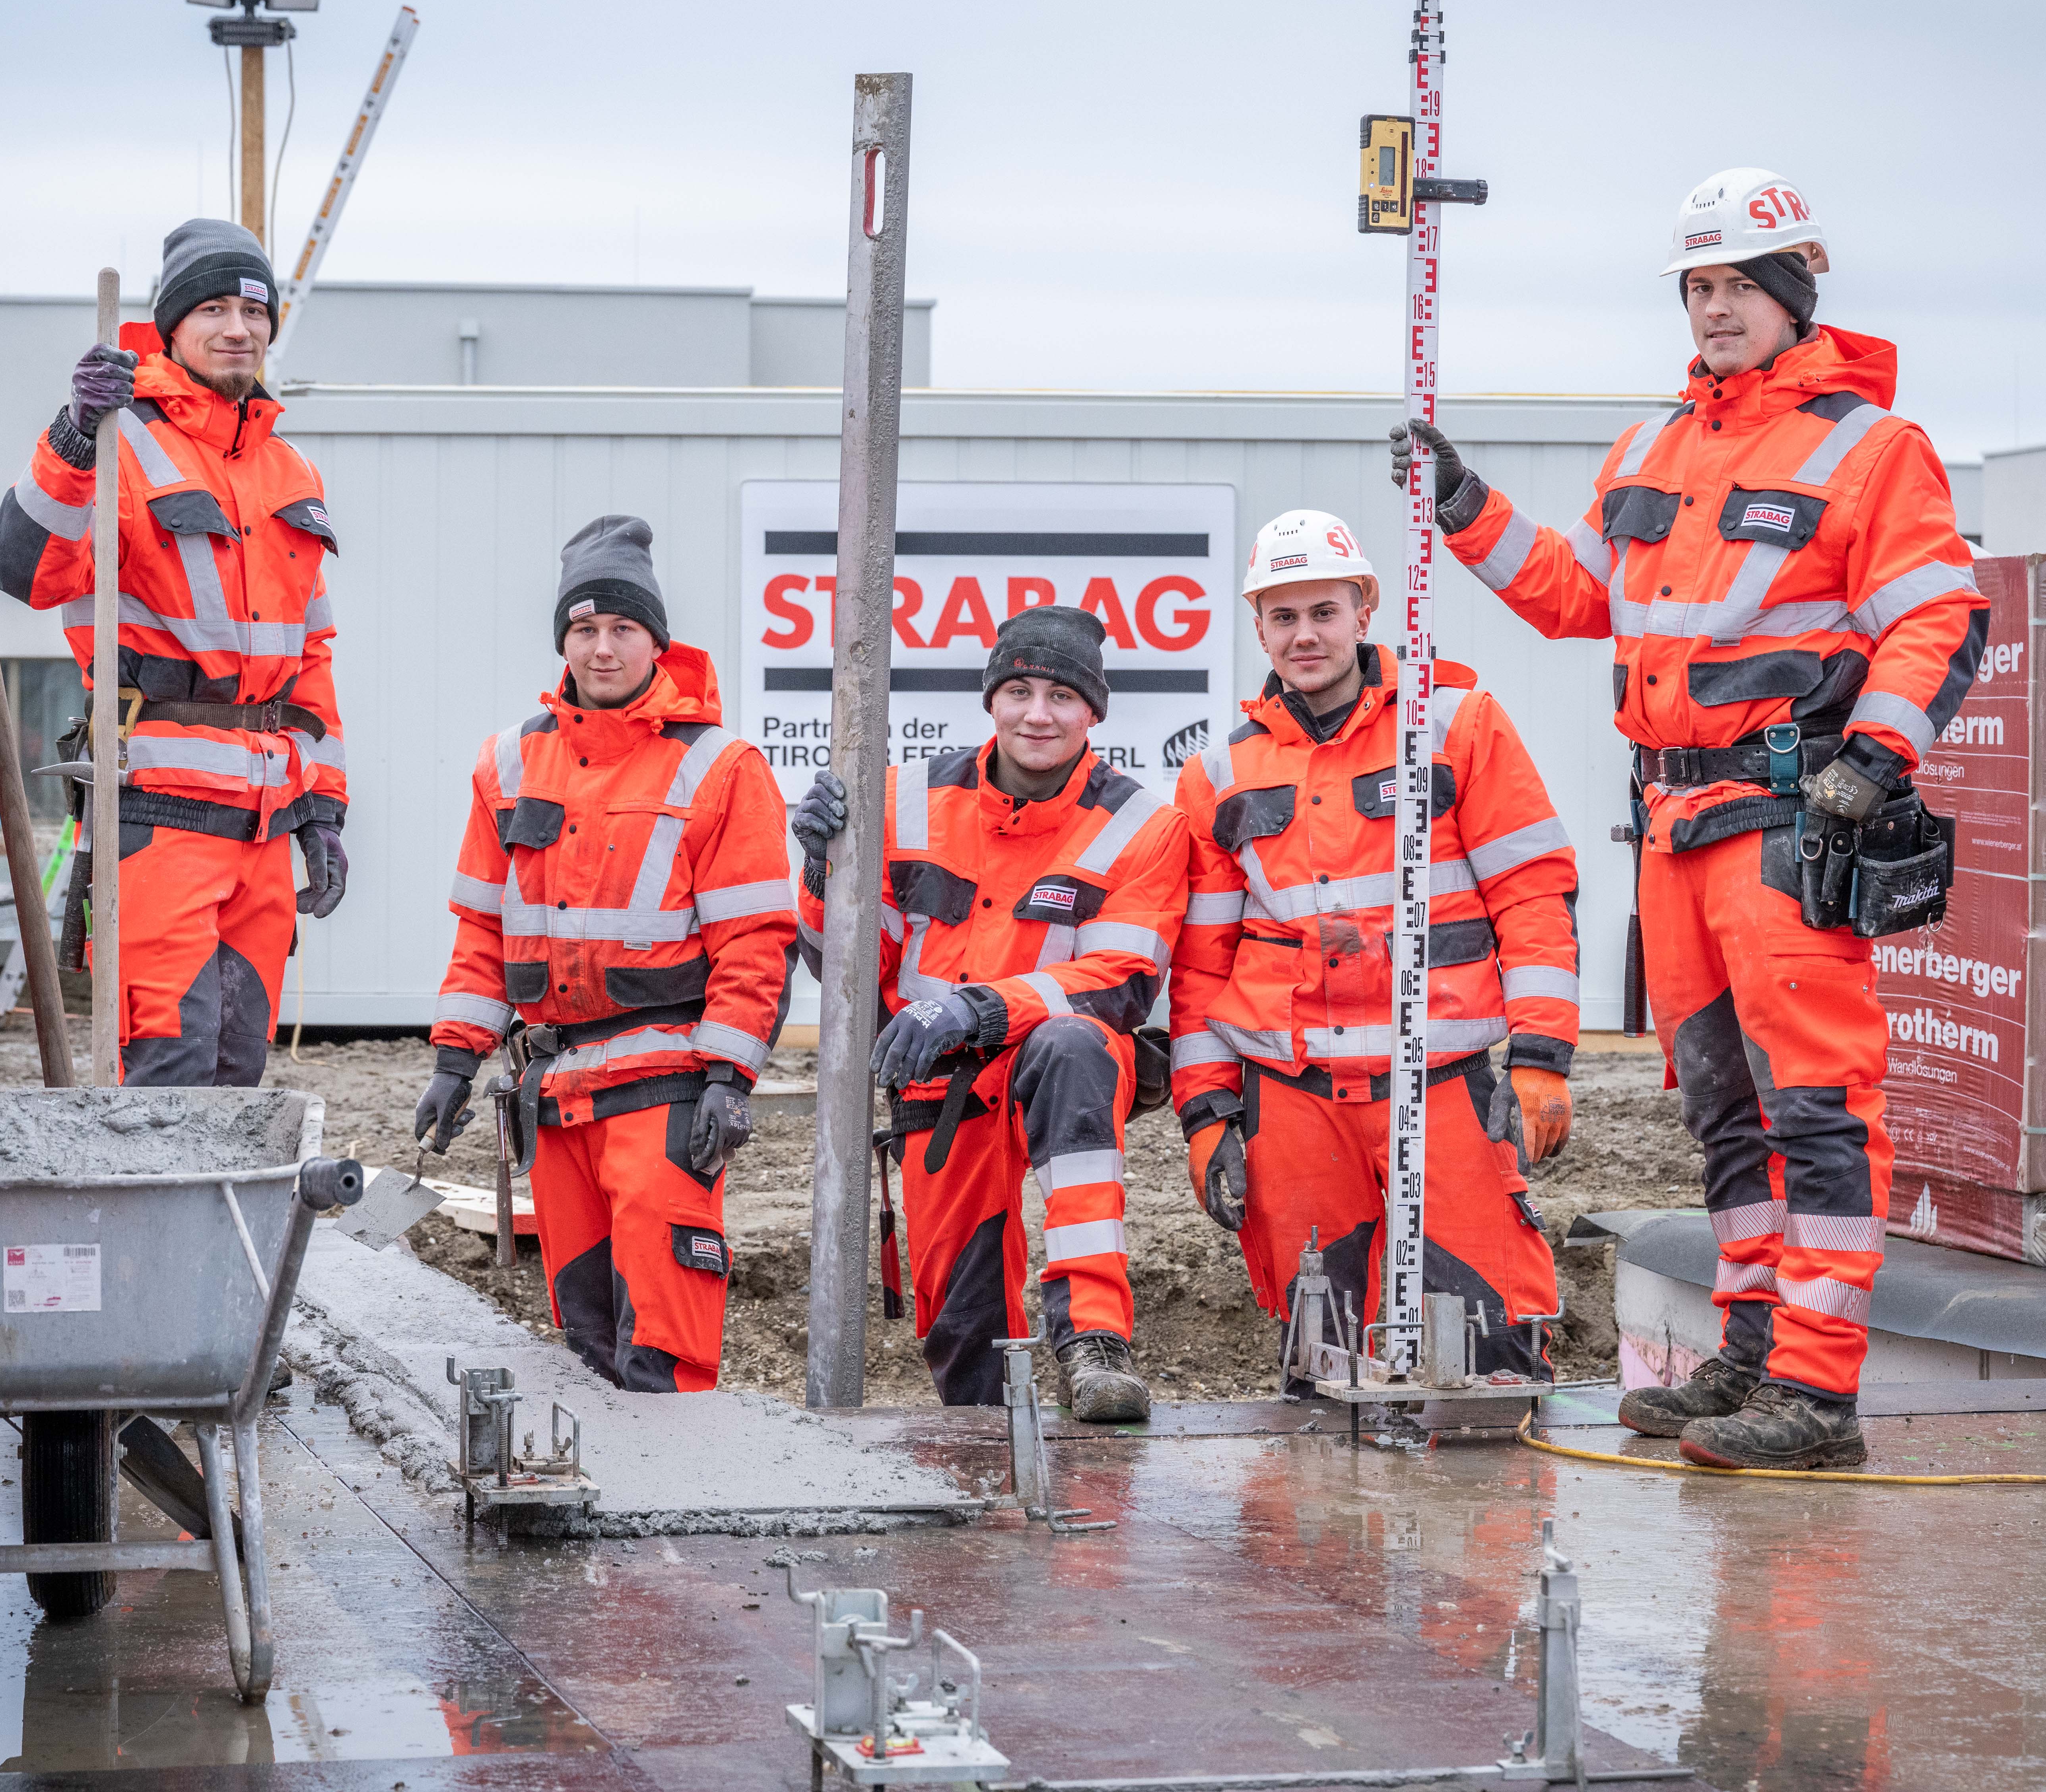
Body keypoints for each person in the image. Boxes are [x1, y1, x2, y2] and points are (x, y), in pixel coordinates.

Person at [1400, 167, 1986, 1470]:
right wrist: (1460, 504)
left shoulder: (1869, 447)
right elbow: (1572, 594)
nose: (1713, 307)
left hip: (1786, 817)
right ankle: (1746, 1351)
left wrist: (1874, 757)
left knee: (1818, 1107)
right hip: (1673, 830)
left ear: (1791, 291)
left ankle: (1817, 1392)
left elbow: (1941, 615)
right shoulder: (1653, 444)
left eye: (1735, 284)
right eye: (1696, 284)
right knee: (1724, 1111)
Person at [1168, 511, 1577, 1385]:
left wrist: (1543, 1054)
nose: (1305, 635)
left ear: (1365, 607)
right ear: (1260, 627)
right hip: (1292, 1100)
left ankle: (1499, 1518)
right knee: (1321, 1363)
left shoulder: (1457, 724)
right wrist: (1207, 1117)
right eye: (1283, 617)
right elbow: (1200, 967)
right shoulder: (1218, 774)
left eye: (1323, 610)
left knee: (1490, 1353)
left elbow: (1533, 889)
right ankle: (1324, 1521)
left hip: (1442, 1084)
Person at [409, 516, 796, 1393]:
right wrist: (454, 1058)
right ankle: (608, 1528)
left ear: (657, 640)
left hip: (665, 1086)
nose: (603, 647)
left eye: (623, 628)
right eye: (584, 629)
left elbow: (756, 942)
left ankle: (679, 1518)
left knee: (663, 1342)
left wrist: (730, 1077)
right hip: (555, 1093)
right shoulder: (509, 762)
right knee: (583, 1338)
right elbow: (480, 929)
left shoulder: (721, 766)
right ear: (564, 642)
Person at [789, 606, 1188, 1421]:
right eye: (1018, 690)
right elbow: (842, 969)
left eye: (1061, 696)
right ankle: (988, 1466)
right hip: (943, 1094)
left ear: (1093, 712)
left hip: (1058, 1068)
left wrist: (979, 1009)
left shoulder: (1143, 825)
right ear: (991, 700)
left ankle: (1093, 1340)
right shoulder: (904, 799)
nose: (1038, 714)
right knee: (961, 1325)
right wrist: (821, 871)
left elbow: (1118, 982)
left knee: (1075, 1042)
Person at [0, 218, 347, 1085]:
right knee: (163, 1069)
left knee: (236, 1069)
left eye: (255, 311)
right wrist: (74, 439)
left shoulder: (290, 469)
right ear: (174, 325)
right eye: (214, 308)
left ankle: (217, 1229)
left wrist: (325, 810)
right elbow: (22, 568)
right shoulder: (119, 442)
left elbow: (312, 658)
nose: (238, 328)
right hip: (162, 818)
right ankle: (143, 1226)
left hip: (263, 827)